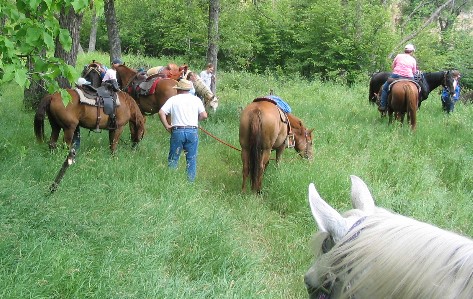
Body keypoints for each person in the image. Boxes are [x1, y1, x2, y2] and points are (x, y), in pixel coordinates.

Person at [158, 79, 208, 182]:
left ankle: (172, 181)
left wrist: (167, 125)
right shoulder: (196, 100)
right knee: (191, 158)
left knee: (173, 158)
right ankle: (190, 182)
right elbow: (204, 115)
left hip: (177, 131)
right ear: (188, 89)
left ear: (178, 89)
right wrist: (195, 120)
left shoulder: (173, 100)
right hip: (192, 131)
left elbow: (161, 112)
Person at [379, 44, 417, 112]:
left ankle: (383, 105)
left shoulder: (398, 56)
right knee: (417, 89)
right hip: (409, 77)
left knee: (384, 88)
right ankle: (416, 105)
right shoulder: (413, 59)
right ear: (411, 51)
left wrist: (396, 71)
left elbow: (393, 66)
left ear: (404, 50)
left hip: (396, 76)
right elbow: (414, 71)